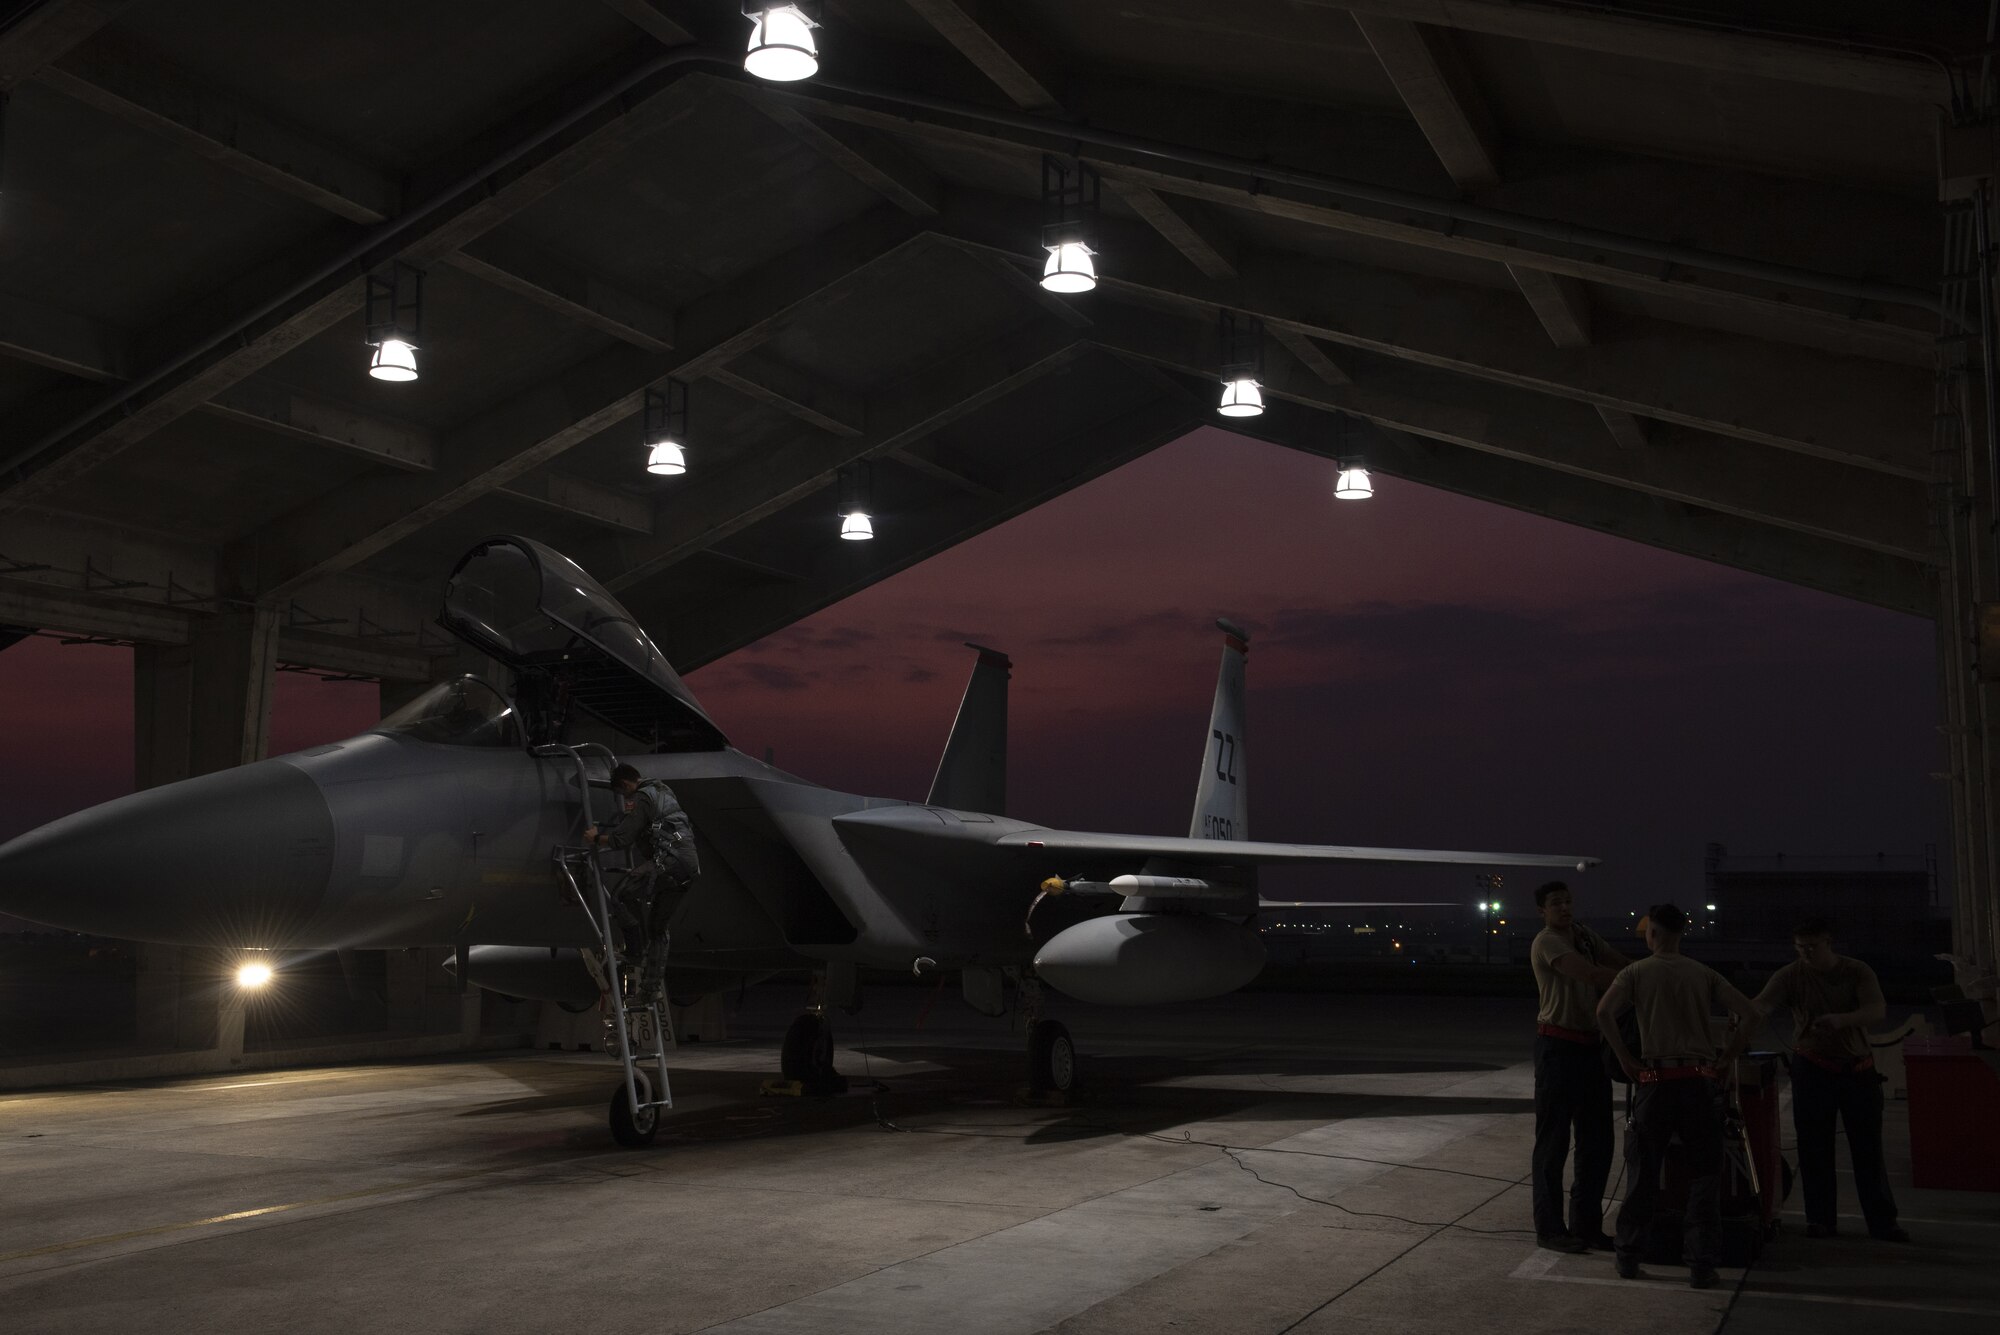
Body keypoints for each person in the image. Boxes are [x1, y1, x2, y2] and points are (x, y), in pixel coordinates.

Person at [1598, 903, 1760, 1289]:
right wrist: (1728, 1057)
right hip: (1698, 1082)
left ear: (1652, 932)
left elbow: (1604, 1013)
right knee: (1705, 1175)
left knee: (1643, 1173)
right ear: (1682, 932)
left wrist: (1625, 1059)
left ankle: (1629, 1256)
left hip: (1655, 1080)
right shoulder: (1702, 973)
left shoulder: (1635, 972)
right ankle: (1701, 1263)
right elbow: (1752, 1013)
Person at [1752, 917, 1906, 1243]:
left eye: (1812, 947)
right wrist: (1742, 1012)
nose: (1806, 954)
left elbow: (1876, 1010)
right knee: (1813, 1148)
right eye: (1800, 948)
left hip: (1857, 1070)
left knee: (1867, 1149)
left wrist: (1842, 1020)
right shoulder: (1790, 976)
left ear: (1828, 943)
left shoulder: (1856, 971)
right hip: (1813, 1068)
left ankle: (1882, 1221)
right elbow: (1762, 1005)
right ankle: (1820, 1220)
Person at [1529, 880, 1631, 1253]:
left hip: (1590, 1048)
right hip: (1558, 1046)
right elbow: (1587, 973)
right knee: (1553, 1143)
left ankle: (1587, 1226)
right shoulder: (1547, 941)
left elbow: (1615, 960)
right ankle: (1550, 1229)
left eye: (1568, 902)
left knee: (1597, 1141)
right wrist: (1640, 979)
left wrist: (1647, 970)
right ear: (1543, 911)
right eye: (1556, 904)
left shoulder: (1584, 935)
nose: (1565, 908)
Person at [584, 764, 696, 1002]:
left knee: (621, 895)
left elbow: (622, 838)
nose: (625, 799)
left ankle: (635, 951)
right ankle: (650, 989)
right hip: (688, 866)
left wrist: (596, 838)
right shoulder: (663, 790)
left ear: (625, 785)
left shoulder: (641, 797)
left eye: (623, 794)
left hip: (668, 862)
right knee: (658, 928)